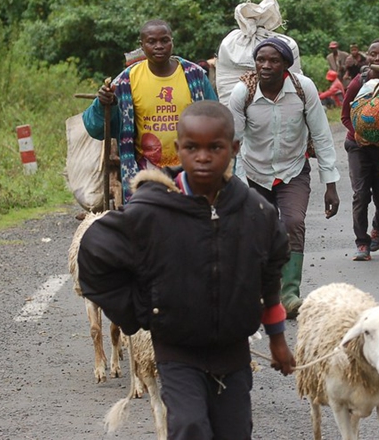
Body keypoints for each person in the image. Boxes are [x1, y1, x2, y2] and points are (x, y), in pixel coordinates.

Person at [77, 101, 296, 440]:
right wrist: (137, 311)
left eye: (216, 147)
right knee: (190, 427)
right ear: (178, 149)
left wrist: (278, 341)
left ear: (234, 149)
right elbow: (94, 253)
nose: (204, 157)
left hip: (233, 352)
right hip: (177, 350)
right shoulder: (154, 209)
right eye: (192, 147)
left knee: (235, 433)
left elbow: (270, 276)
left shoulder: (256, 212)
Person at [229, 37, 341, 318]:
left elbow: (322, 135)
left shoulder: (304, 89)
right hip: (253, 172)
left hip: (293, 170)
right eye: (261, 60)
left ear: (286, 66)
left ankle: (289, 294)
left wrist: (331, 184)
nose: (266, 66)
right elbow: (233, 142)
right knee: (255, 229)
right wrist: (237, 185)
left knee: (292, 222)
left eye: (274, 61)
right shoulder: (242, 93)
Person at [82, 19, 217, 204]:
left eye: (165, 40)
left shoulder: (194, 76)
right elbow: (94, 127)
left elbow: (215, 119)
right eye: (152, 42)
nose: (159, 46)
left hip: (190, 168)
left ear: (172, 42)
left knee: (190, 221)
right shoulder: (126, 81)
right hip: (145, 171)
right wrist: (104, 104)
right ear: (142, 46)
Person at [340, 38, 379, 261]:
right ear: (367, 56)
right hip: (358, 146)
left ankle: (378, 230)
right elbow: (345, 116)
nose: (378, 59)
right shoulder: (359, 82)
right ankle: (362, 242)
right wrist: (359, 135)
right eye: (374, 54)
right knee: (361, 194)